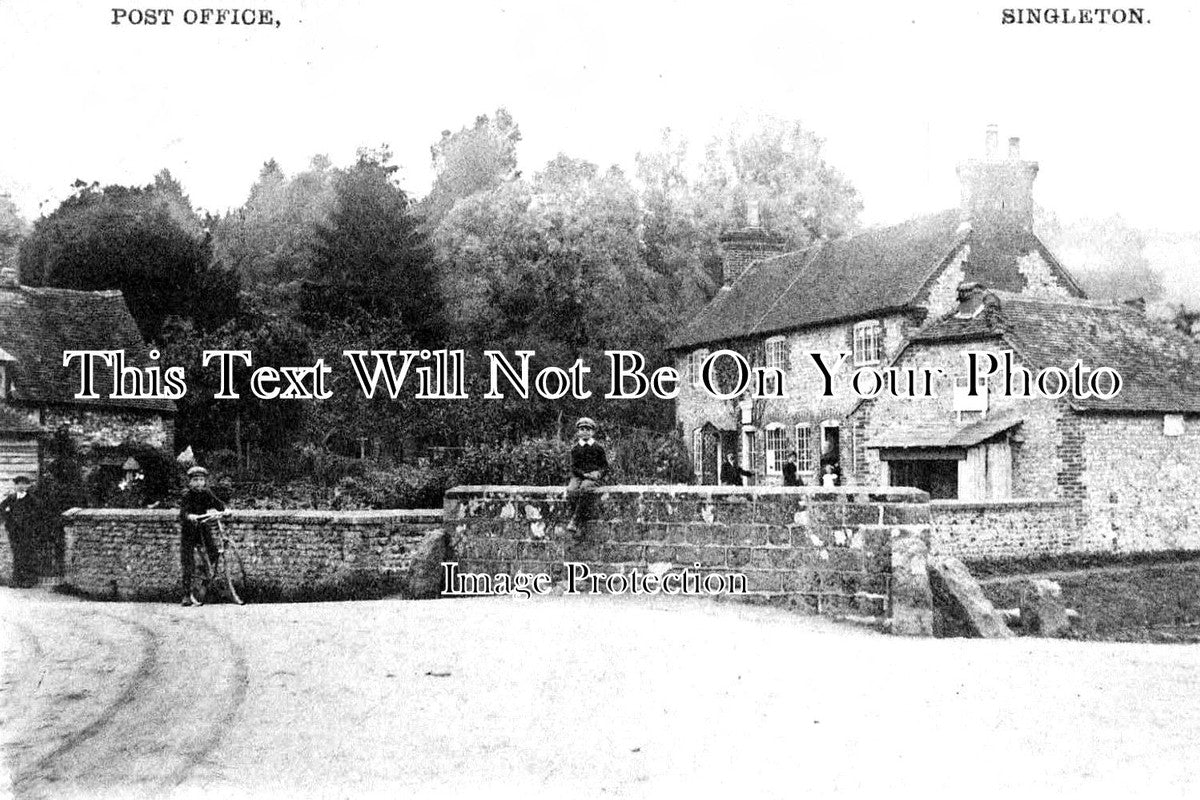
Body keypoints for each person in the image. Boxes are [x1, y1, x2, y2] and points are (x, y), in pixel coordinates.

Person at [179, 465, 226, 606]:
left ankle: (206, 578)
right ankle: (186, 595)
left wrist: (225, 510)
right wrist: (190, 516)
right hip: (189, 531)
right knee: (188, 562)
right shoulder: (187, 495)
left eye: (201, 479)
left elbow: (219, 504)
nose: (199, 483)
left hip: (203, 529)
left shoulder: (207, 493)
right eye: (196, 480)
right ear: (190, 482)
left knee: (214, 553)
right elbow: (183, 513)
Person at [566, 417, 607, 536]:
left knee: (585, 488)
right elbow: (573, 467)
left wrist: (598, 474)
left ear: (592, 432)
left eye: (588, 429)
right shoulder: (575, 449)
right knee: (571, 490)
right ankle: (578, 518)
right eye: (582, 429)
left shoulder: (598, 448)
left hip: (592, 477)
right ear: (578, 432)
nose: (585, 432)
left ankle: (575, 520)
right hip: (579, 476)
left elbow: (605, 466)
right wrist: (582, 474)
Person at [1, 475, 40, 587]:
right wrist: (8, 519)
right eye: (18, 484)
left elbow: (37, 515)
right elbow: (1, 509)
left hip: (27, 532)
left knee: (28, 555)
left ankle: (29, 580)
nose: (21, 486)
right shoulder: (11, 498)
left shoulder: (32, 500)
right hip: (14, 532)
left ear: (28, 486)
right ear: (15, 485)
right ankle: (17, 580)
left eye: (24, 484)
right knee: (17, 555)